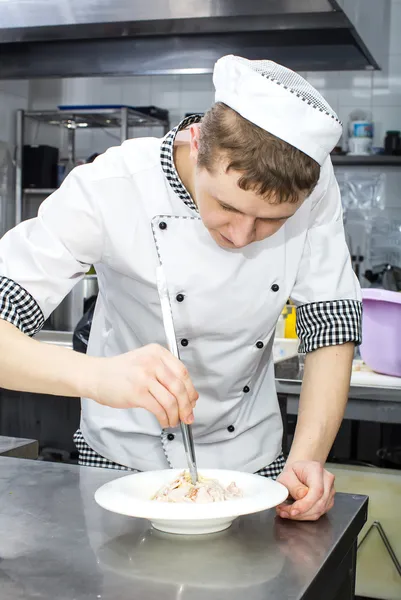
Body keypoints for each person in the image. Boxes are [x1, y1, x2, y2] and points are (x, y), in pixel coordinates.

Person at [0, 56, 361, 521]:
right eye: (226, 205)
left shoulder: (317, 192)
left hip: (254, 463)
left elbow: (331, 322)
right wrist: (98, 376)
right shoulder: (113, 186)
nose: (241, 236)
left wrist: (308, 457)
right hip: (119, 463)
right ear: (196, 145)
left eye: (273, 220)